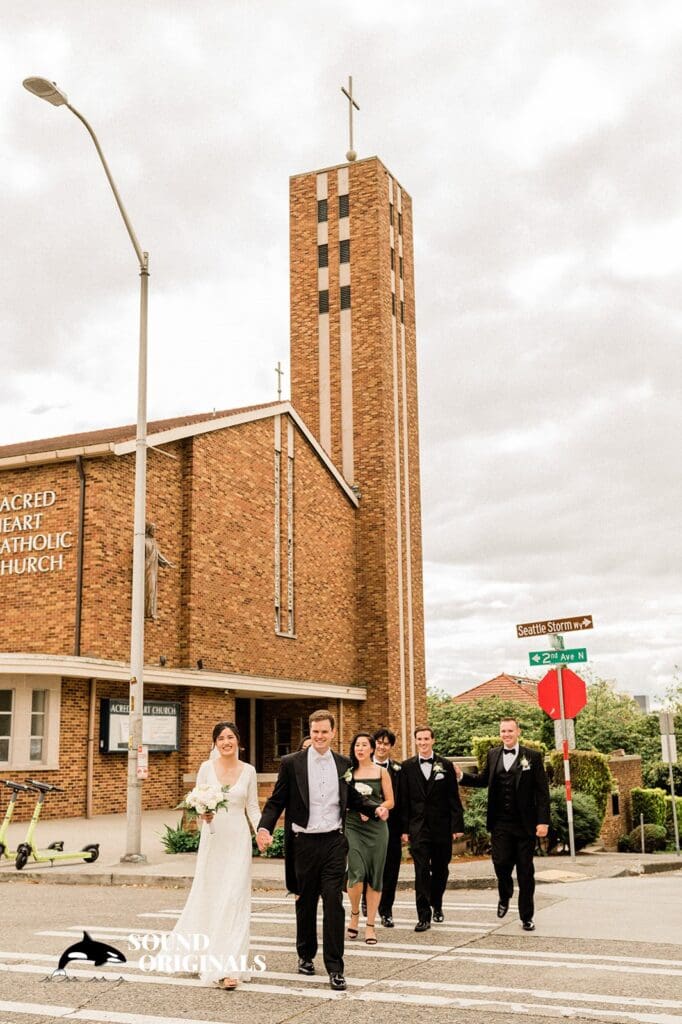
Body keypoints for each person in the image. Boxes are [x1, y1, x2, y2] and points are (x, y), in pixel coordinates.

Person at [257, 709, 388, 992]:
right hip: (303, 842)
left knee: (333, 903)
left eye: (324, 732)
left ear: (333, 733)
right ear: (310, 731)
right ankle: (305, 955)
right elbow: (276, 800)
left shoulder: (343, 763)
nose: (319, 736)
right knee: (305, 903)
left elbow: (351, 797)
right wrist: (264, 828)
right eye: (315, 732)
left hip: (333, 842)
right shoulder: (292, 763)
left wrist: (373, 808)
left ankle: (335, 968)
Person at [169, 722, 261, 989]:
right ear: (215, 743)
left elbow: (253, 808)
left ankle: (228, 967)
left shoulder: (249, 771)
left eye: (230, 737)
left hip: (238, 841)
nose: (226, 742)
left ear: (238, 741)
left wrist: (262, 832)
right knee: (211, 896)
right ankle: (205, 955)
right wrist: (203, 814)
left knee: (234, 899)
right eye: (221, 738)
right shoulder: (206, 769)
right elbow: (196, 806)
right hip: (213, 839)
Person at [456, 717, 550, 931]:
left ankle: (527, 916)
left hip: (525, 824)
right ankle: (504, 893)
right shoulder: (493, 754)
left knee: (526, 871)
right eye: (503, 731)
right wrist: (462, 776)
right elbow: (483, 780)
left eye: (510, 731)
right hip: (500, 823)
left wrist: (543, 821)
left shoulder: (533, 757)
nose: (506, 734)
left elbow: (542, 792)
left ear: (518, 732)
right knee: (500, 863)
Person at [400, 725, 464, 931]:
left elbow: (454, 798)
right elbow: (404, 801)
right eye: (419, 739)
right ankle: (423, 916)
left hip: (441, 827)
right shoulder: (407, 767)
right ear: (415, 741)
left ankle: (437, 904)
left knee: (440, 870)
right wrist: (404, 829)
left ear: (433, 740)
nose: (423, 743)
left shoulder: (445, 765)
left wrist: (457, 825)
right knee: (421, 871)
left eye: (426, 739)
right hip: (418, 828)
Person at [345, 732, 394, 945]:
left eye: (365, 745)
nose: (360, 748)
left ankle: (371, 925)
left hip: (376, 829)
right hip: (353, 826)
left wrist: (378, 809)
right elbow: (342, 799)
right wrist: (358, 808)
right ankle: (355, 914)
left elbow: (391, 801)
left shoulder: (381, 772)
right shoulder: (348, 773)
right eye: (357, 745)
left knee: (375, 874)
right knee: (356, 872)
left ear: (372, 749)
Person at [367, 727, 402, 927]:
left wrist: (405, 830)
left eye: (385, 743)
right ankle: (366, 901)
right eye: (378, 743)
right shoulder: (361, 768)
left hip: (392, 829)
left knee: (390, 871)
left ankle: (386, 910)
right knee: (368, 869)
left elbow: (403, 801)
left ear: (390, 747)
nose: (381, 747)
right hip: (367, 828)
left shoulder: (398, 770)